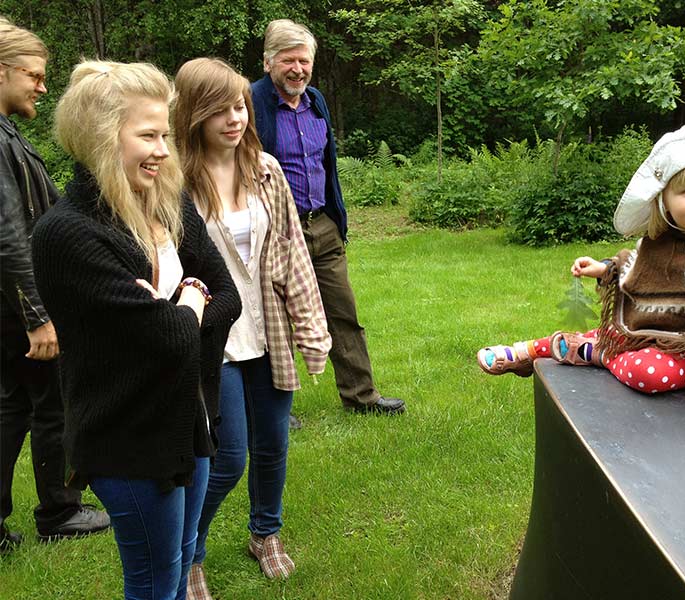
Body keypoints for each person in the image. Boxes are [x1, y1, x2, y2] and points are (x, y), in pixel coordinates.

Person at [31, 60, 241, 599]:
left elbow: (229, 297)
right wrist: (192, 298)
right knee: (153, 583)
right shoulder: (68, 234)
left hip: (189, 417)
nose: (164, 151)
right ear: (103, 139)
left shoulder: (167, 201)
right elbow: (173, 336)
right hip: (130, 440)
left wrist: (180, 309)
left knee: (181, 561)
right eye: (147, 136)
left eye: (164, 135)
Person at [477, 124, 685, 426]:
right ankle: (529, 351)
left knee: (649, 374)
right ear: (664, 201)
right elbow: (639, 267)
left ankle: (594, 353)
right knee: (616, 334)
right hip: (657, 334)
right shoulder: (663, 243)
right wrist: (605, 269)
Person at [173, 57, 331, 596]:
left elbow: (293, 253)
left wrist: (312, 331)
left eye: (240, 106)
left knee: (273, 446)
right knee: (227, 458)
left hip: (269, 331)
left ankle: (265, 534)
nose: (235, 118)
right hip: (212, 338)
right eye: (220, 110)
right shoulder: (175, 182)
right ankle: (188, 554)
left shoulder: (266, 170)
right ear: (194, 115)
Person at [251, 19, 406, 416]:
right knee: (274, 323)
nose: (298, 69)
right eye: (288, 61)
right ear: (268, 62)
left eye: (304, 61)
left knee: (342, 312)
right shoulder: (251, 103)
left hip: (322, 225)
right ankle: (275, 411)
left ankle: (362, 396)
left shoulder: (315, 101)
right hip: (275, 231)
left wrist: (337, 219)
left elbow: (327, 164)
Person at [0, 16, 109, 552]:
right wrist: (38, 316)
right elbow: (7, 236)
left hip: (10, 306)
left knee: (12, 407)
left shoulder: (6, 134)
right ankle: (60, 511)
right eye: (34, 75)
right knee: (50, 404)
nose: (42, 87)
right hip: (18, 307)